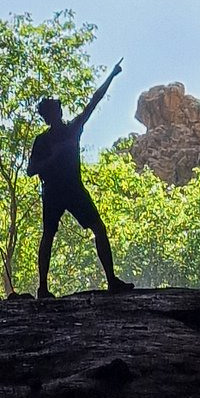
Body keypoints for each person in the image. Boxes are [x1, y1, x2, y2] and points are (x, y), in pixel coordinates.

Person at [28, 60, 130, 299]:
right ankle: (42, 287)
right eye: (52, 110)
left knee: (98, 228)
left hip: (73, 188)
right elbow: (31, 170)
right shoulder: (43, 141)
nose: (57, 112)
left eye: (56, 109)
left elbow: (94, 100)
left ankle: (112, 280)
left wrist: (111, 75)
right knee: (49, 235)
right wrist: (53, 157)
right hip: (54, 190)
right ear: (47, 116)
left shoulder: (73, 129)